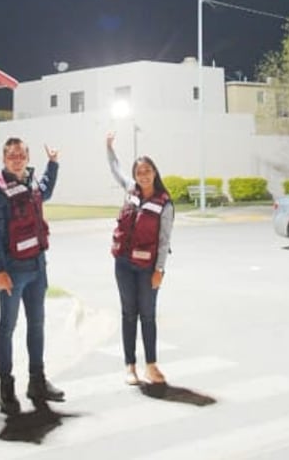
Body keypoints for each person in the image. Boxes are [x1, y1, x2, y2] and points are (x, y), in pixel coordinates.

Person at [0, 136, 63, 415]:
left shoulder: (31, 182)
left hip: (37, 267)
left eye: (21, 155)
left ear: (27, 158)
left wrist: (53, 164)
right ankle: (6, 388)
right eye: (12, 155)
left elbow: (45, 191)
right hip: (13, 271)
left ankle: (37, 381)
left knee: (37, 324)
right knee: (7, 327)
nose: (17, 159)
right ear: (4, 159)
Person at [105, 132, 173, 386]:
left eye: (147, 171)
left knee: (148, 315)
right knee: (128, 314)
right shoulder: (130, 190)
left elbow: (164, 241)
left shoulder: (164, 204)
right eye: (139, 172)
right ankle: (130, 367)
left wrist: (159, 270)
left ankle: (151, 366)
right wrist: (109, 147)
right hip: (123, 264)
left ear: (154, 173)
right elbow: (115, 169)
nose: (143, 175)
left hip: (147, 268)